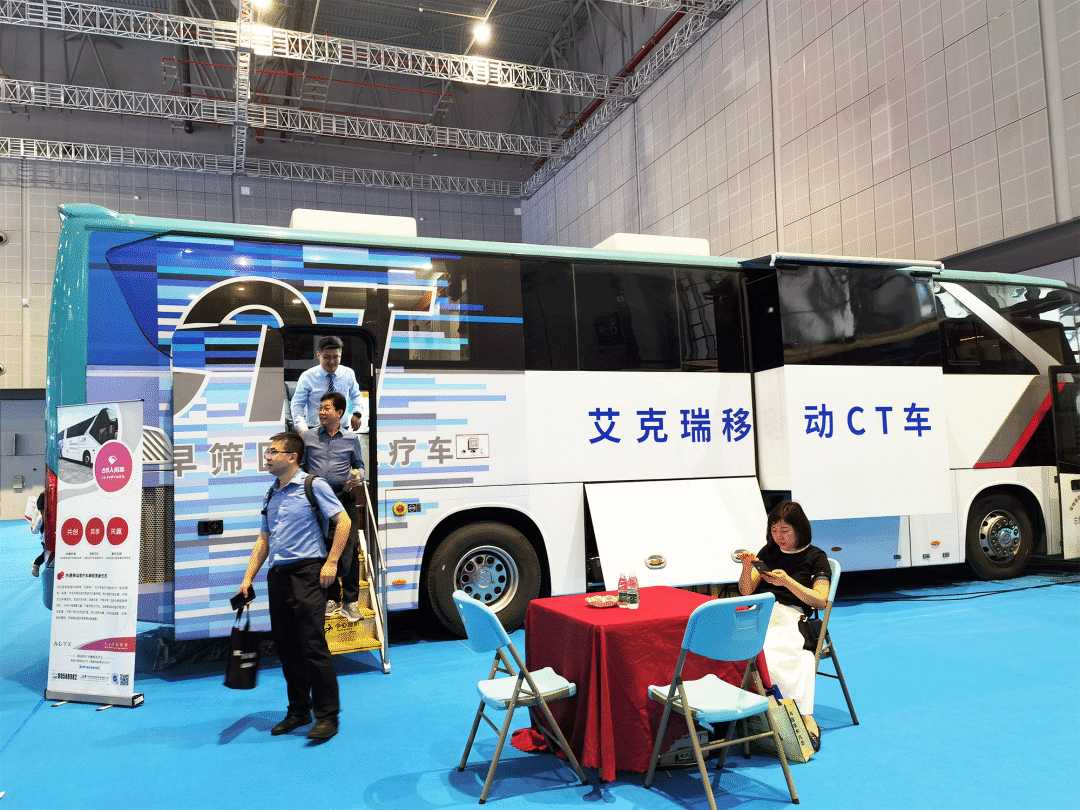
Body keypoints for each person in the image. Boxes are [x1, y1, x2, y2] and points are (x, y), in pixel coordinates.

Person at [236, 431, 351, 741]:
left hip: (308, 574)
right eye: (268, 451)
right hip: (278, 576)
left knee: (313, 645)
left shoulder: (314, 485)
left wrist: (331, 562)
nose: (268, 456)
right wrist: (248, 578)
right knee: (287, 648)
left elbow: (343, 522)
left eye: (274, 451)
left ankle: (327, 716)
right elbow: (264, 539)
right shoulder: (270, 494)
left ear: (292, 457)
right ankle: (299, 711)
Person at [738, 500, 829, 751]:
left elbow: (820, 601)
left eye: (785, 531)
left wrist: (787, 582)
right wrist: (747, 568)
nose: (779, 536)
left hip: (790, 614)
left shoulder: (816, 557)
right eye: (774, 530)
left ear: (800, 530)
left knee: (773, 652)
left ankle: (794, 714)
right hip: (759, 611)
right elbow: (746, 591)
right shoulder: (768, 552)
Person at [300, 391, 365, 622]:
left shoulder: (351, 439)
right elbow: (302, 467)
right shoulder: (308, 437)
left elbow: (359, 465)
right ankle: (331, 598)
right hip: (317, 499)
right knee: (324, 546)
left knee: (349, 547)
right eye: (320, 408)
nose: (321, 412)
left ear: (339, 413)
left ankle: (351, 602)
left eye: (326, 408)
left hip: (343, 496)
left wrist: (358, 476)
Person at [291, 336, 363, 433]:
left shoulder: (348, 373)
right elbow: (297, 404)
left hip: (341, 429)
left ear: (341, 354)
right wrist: (302, 429)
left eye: (336, 357)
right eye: (327, 357)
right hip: (315, 429)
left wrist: (357, 413)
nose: (332, 362)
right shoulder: (307, 376)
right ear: (318, 355)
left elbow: (356, 396)